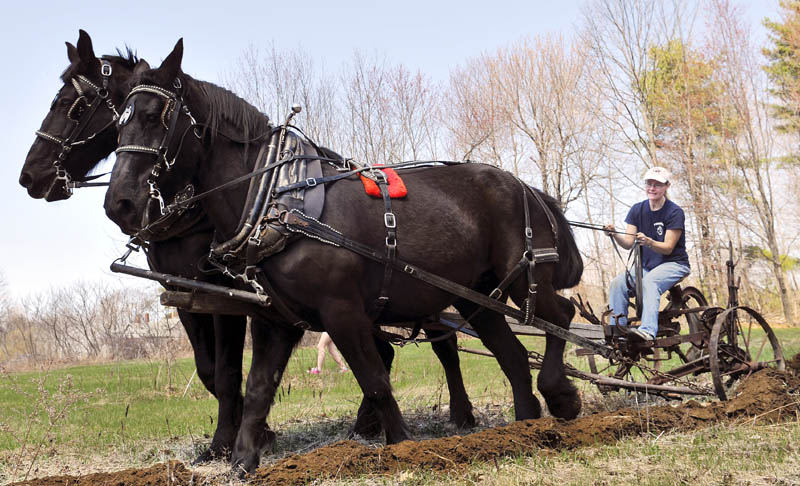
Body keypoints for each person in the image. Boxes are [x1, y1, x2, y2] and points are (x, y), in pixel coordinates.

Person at [603, 166, 691, 342]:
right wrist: (614, 234)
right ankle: (617, 331)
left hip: (674, 264)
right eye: (649, 183)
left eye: (657, 184)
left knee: (649, 282)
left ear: (666, 186)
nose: (652, 188)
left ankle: (648, 331)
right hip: (648, 267)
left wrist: (649, 242)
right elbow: (628, 243)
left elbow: (668, 248)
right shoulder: (637, 210)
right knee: (618, 283)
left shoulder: (674, 212)